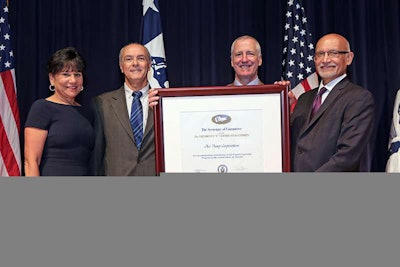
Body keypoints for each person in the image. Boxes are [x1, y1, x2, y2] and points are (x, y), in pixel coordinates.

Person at [290, 33, 375, 172]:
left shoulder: (359, 98)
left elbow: (347, 155)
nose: (325, 60)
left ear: (348, 58)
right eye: (320, 54)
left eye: (333, 53)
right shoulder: (304, 99)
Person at [24, 47, 94, 176]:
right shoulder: (42, 108)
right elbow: (31, 161)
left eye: (77, 74)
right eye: (66, 74)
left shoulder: (87, 112)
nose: (73, 80)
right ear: (52, 78)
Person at [91, 43, 155, 176]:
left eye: (141, 58)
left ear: (149, 65)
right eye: (129, 59)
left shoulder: (163, 102)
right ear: (121, 67)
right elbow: (97, 153)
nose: (135, 63)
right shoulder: (102, 103)